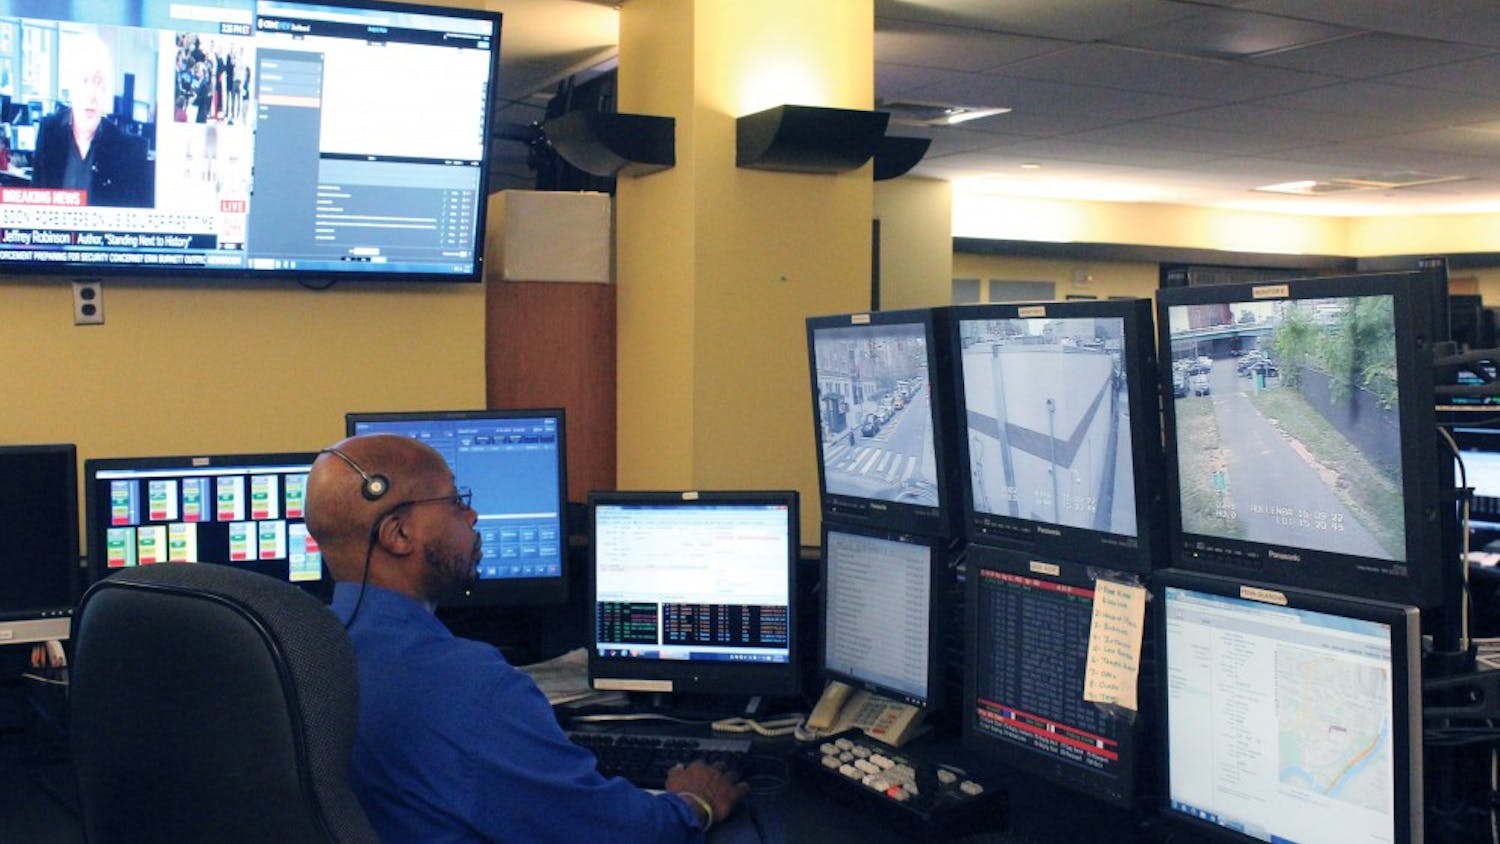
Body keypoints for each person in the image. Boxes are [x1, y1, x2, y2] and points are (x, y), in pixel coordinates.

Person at [304, 434, 749, 843]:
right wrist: (696, 803)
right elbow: (619, 833)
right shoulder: (473, 687)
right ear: (399, 534)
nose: (473, 515)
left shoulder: (305, 658)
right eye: (456, 502)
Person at [30, 31, 153, 207]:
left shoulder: (127, 149)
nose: (92, 95)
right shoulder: (49, 132)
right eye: (84, 81)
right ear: (71, 85)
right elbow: (34, 204)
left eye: (99, 82)